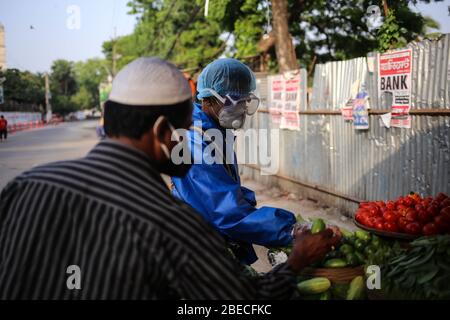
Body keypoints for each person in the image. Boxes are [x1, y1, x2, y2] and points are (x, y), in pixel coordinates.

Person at [0, 57, 340, 299]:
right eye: (183, 131)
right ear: (165, 131)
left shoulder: (26, 186)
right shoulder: (177, 226)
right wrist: (296, 260)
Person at [171, 58, 297, 265]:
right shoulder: (193, 139)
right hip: (196, 246)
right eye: (232, 102)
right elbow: (225, 210)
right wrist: (289, 229)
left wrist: (243, 200)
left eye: (245, 101)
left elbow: (220, 186)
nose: (241, 109)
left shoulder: (215, 130)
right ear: (207, 100)